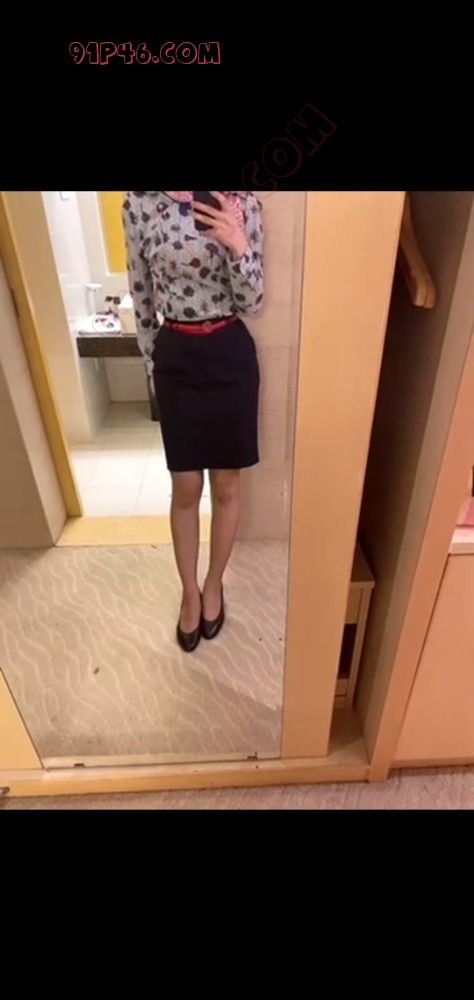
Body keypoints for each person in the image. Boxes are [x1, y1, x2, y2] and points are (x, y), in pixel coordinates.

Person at [122, 190, 264, 651]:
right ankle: (188, 591)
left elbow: (253, 301)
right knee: (185, 487)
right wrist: (154, 365)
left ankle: (213, 584)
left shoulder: (241, 202)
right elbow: (141, 294)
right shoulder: (139, 203)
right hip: (176, 357)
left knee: (226, 484)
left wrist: (237, 243)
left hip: (229, 353)